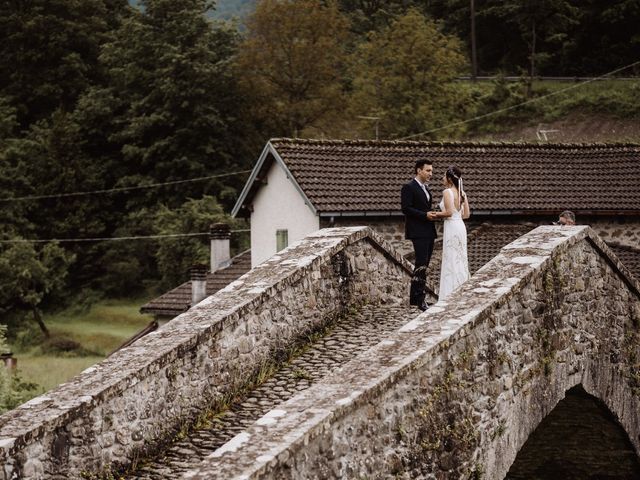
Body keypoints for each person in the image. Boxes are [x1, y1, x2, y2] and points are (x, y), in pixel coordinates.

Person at [401, 159, 438, 311]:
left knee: (425, 265)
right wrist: (425, 215)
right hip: (418, 231)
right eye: (428, 170)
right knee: (421, 264)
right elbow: (406, 208)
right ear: (418, 170)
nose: (431, 173)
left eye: (431, 171)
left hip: (429, 231)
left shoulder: (426, 189)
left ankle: (415, 299)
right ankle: (419, 298)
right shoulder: (408, 187)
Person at [429, 166, 470, 301]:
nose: (442, 178)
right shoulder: (462, 193)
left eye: (444, 176)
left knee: (451, 259)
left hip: (452, 226)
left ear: (449, 179)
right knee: (460, 258)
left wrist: (435, 214)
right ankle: (462, 290)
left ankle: (449, 295)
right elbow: (466, 215)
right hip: (460, 226)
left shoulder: (447, 192)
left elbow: (449, 213)